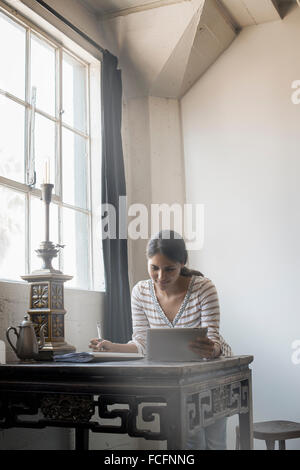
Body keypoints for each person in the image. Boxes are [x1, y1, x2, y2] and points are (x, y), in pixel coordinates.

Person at [89, 230, 232, 450]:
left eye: (169, 269)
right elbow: (142, 344)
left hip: (213, 374)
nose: (160, 277)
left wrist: (210, 349)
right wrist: (110, 346)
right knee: (189, 440)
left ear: (182, 263)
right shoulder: (140, 292)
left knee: (214, 442)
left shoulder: (204, 288)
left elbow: (213, 339)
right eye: (154, 268)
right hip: (178, 380)